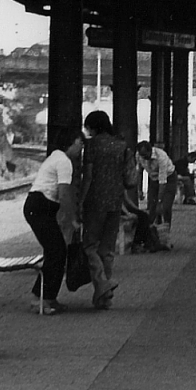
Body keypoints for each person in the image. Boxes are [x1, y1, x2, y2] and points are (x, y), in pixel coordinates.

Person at [23, 129, 84, 314]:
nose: (81, 148)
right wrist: (73, 219)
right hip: (40, 207)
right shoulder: (64, 162)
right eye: (80, 143)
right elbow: (64, 193)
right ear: (72, 142)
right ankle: (38, 299)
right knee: (56, 251)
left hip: (39, 207)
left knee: (57, 252)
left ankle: (49, 297)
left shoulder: (56, 157)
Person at [78, 110, 127, 310]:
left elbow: (88, 176)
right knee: (106, 250)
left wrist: (81, 201)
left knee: (89, 246)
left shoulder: (91, 146)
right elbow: (128, 177)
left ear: (93, 126)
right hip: (115, 202)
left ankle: (102, 284)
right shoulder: (122, 145)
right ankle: (104, 299)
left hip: (95, 203)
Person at [136, 140, 178, 226]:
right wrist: (139, 190)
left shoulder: (161, 156)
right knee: (152, 206)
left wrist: (159, 201)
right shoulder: (139, 156)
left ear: (150, 150)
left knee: (165, 207)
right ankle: (152, 228)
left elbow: (163, 181)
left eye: (145, 155)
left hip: (169, 178)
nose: (144, 158)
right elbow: (139, 172)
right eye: (142, 155)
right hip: (154, 179)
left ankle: (166, 227)